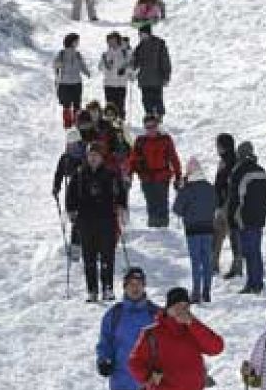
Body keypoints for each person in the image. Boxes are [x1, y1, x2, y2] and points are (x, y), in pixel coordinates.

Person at [70, 143, 125, 302]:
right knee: (89, 257)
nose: (93, 158)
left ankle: (108, 288)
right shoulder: (79, 175)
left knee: (107, 255)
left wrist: (121, 206)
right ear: (87, 157)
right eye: (90, 155)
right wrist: (71, 210)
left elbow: (120, 192)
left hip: (106, 219)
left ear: (102, 157)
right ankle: (92, 290)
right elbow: (71, 195)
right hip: (86, 220)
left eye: (96, 155)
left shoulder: (110, 174)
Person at [226, 141, 266, 294]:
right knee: (256, 250)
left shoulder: (240, 171)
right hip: (260, 216)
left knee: (249, 250)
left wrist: (233, 217)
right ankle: (256, 281)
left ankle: (254, 283)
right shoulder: (262, 171)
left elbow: (235, 197)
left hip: (244, 216)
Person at [173, 158, 218, 303]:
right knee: (207, 260)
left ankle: (196, 292)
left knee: (196, 261)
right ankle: (207, 291)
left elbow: (177, 209)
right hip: (208, 228)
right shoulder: (210, 187)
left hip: (193, 229)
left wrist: (180, 191)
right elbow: (216, 204)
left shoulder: (187, 189)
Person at [128, 113, 182, 229]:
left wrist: (178, 175)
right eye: (148, 127)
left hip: (162, 176)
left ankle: (163, 227)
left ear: (157, 126)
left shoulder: (165, 139)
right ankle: (153, 227)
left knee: (162, 202)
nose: (150, 130)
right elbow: (132, 160)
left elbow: (173, 158)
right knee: (151, 203)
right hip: (146, 177)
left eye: (153, 126)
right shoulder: (140, 141)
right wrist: (129, 175)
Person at [213, 133, 245, 278]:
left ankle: (234, 266)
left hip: (228, 203)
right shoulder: (226, 160)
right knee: (220, 234)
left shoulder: (230, 161)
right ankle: (214, 265)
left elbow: (225, 183)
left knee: (231, 234)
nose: (217, 148)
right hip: (224, 203)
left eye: (218, 145)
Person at [53, 132, 87, 250]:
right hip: (72, 192)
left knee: (84, 217)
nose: (72, 147)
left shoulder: (86, 156)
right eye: (70, 145)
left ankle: (87, 243)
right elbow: (59, 173)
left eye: (75, 145)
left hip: (85, 190)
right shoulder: (65, 158)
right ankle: (76, 245)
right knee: (74, 218)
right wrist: (56, 187)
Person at [131, 24, 171, 122]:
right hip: (144, 78)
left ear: (148, 33)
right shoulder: (139, 47)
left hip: (156, 77)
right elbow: (135, 63)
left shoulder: (159, 44)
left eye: (143, 34)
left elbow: (165, 61)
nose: (141, 36)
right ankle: (149, 116)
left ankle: (159, 116)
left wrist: (166, 76)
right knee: (146, 99)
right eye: (140, 34)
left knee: (157, 98)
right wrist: (132, 68)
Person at [53, 33, 91, 129]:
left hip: (77, 82)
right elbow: (55, 64)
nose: (77, 43)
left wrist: (87, 72)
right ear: (71, 41)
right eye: (76, 41)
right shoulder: (61, 53)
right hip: (65, 83)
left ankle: (76, 122)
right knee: (66, 104)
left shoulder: (77, 54)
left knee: (77, 103)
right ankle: (67, 123)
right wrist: (59, 64)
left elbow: (82, 65)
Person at [99, 32, 132, 118]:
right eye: (109, 41)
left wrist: (125, 71)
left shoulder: (125, 53)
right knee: (110, 106)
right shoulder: (105, 54)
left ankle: (121, 122)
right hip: (109, 83)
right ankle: (110, 123)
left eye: (113, 40)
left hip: (121, 84)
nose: (111, 43)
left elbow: (130, 66)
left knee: (120, 105)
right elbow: (100, 67)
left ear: (118, 40)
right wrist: (106, 65)